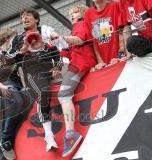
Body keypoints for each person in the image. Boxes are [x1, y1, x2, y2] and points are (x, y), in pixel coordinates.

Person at [8, 8, 62, 152]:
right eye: (22, 16)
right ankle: (49, 135)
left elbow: (57, 54)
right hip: (32, 72)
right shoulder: (18, 38)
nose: (24, 18)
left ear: (36, 19)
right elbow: (6, 60)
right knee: (43, 94)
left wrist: (57, 67)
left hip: (49, 70)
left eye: (28, 15)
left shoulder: (44, 33)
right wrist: (22, 49)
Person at [50, 3, 97, 157]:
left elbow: (79, 40)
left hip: (80, 63)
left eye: (75, 12)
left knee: (63, 94)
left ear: (82, 13)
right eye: (70, 13)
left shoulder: (81, 24)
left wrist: (62, 38)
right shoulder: (77, 26)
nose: (71, 15)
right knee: (63, 94)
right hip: (76, 64)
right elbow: (66, 54)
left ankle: (71, 134)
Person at [0, 28, 29, 160]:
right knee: (17, 103)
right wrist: (1, 86)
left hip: (17, 85)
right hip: (5, 84)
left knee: (18, 114)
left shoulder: (16, 54)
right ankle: (5, 139)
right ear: (8, 38)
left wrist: (25, 87)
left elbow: (20, 71)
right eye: (15, 37)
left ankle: (8, 146)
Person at [84, 0, 130, 70]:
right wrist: (100, 62)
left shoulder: (115, 6)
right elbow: (93, 41)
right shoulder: (88, 14)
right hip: (104, 65)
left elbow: (122, 30)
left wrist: (120, 56)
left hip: (121, 60)